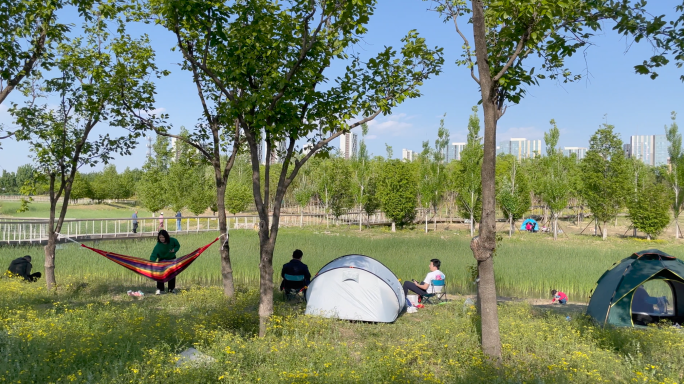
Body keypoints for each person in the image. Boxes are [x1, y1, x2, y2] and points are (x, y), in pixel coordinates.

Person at [150, 230, 181, 294]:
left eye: (163, 237)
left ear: (166, 237)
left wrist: (174, 250)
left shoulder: (173, 240)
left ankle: (171, 289)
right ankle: (160, 289)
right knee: (160, 275)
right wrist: (151, 262)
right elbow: (154, 254)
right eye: (160, 237)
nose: (162, 239)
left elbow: (177, 246)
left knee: (172, 274)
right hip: (162, 261)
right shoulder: (158, 245)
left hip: (171, 260)